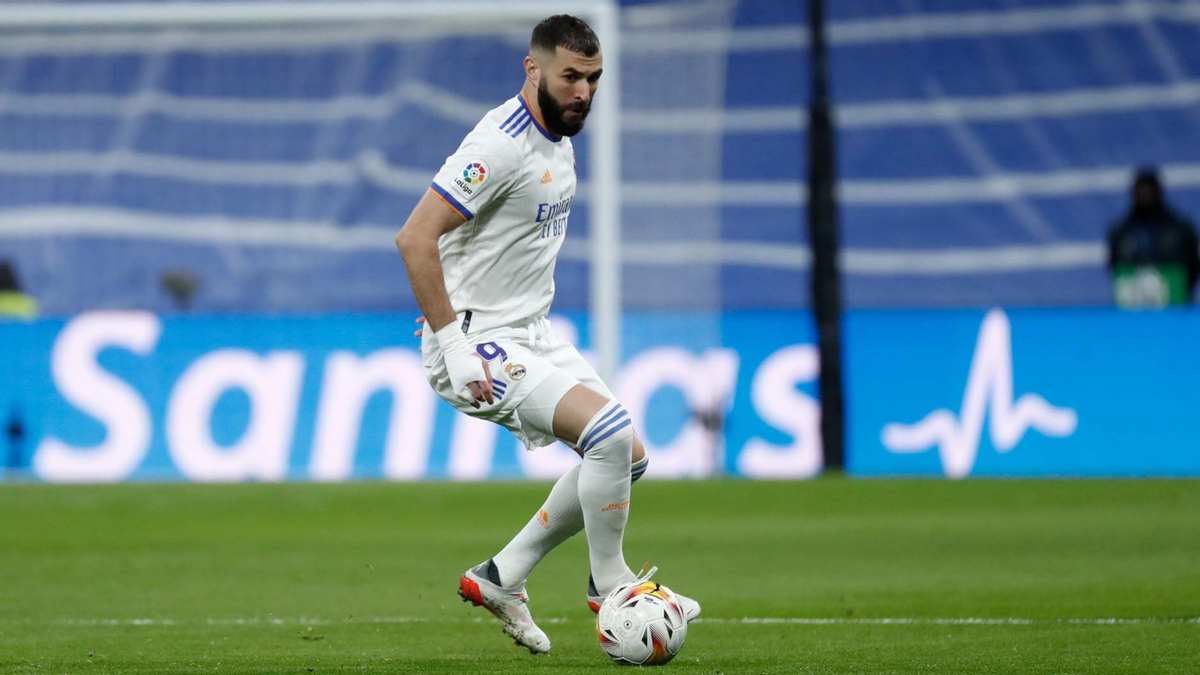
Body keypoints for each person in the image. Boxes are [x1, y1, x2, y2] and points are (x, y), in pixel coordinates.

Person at [394, 15, 699, 654]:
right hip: (479, 344)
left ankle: (502, 576)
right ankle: (610, 584)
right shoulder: (498, 145)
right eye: (570, 77)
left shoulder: (558, 133)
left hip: (529, 331)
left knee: (629, 457)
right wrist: (454, 340)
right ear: (533, 70)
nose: (583, 91)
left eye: (593, 78)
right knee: (607, 437)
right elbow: (415, 237)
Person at [1107, 169, 1200, 308]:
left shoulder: (1181, 230)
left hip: (1175, 310)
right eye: (1141, 192)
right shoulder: (1120, 232)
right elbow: (1115, 268)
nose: (1145, 196)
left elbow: (1193, 267)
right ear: (1133, 194)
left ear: (1159, 193)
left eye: (1149, 191)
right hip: (1131, 313)